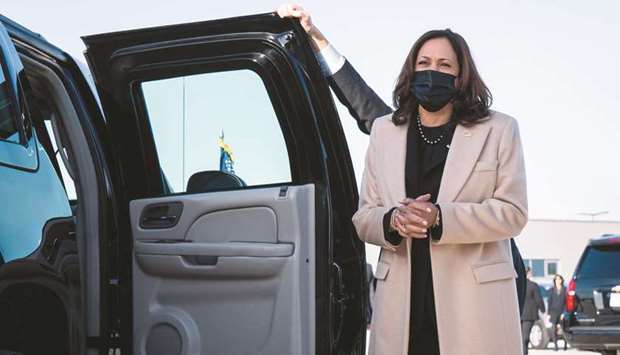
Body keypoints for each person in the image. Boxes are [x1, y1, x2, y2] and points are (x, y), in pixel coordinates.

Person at [278, 5, 528, 355]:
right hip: (405, 304)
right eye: (424, 64)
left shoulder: (498, 129)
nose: (432, 73)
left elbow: (513, 212)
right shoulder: (387, 131)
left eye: (445, 66)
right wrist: (392, 220)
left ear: (462, 76)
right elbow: (365, 215)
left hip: (474, 303)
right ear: (411, 72)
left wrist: (440, 217)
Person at [521, 267, 546, 355]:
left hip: (518, 314)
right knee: (525, 338)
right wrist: (543, 309)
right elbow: (538, 299)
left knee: (521, 338)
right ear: (528, 273)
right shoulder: (533, 285)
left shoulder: (516, 284)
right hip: (529, 315)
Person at [548, 274, 567, 351]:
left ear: (561, 280)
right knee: (553, 329)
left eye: (559, 279)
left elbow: (566, 302)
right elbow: (550, 301)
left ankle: (565, 344)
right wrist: (548, 314)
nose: (558, 281)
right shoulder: (552, 290)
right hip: (553, 312)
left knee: (563, 329)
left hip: (562, 311)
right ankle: (555, 346)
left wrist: (564, 312)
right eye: (556, 279)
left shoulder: (565, 289)